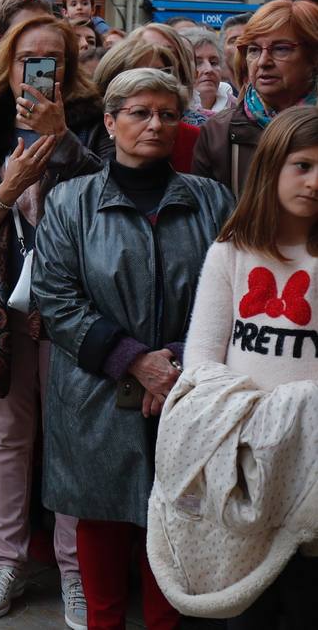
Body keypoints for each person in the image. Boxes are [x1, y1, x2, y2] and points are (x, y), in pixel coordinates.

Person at [34, 67, 233, 630]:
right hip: (95, 390)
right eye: (140, 113)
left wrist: (175, 363)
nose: (155, 125)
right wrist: (133, 361)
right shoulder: (70, 201)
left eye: (168, 114)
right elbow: (56, 296)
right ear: (110, 121)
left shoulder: (211, 200)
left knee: (176, 520)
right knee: (100, 518)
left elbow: (231, 293)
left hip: (185, 387)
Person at [0, 15, 104, 625]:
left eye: (53, 59)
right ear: (7, 67)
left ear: (70, 68)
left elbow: (108, 203)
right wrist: (8, 189)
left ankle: (74, 568)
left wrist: (63, 142)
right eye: (29, 59)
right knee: (5, 431)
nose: (41, 70)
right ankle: (8, 558)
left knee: (69, 433)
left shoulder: (92, 123)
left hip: (73, 303)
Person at [178, 105, 318, 629]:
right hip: (243, 459)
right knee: (244, 606)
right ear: (271, 166)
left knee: (306, 598)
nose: (314, 181)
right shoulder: (231, 252)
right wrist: (248, 419)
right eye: (302, 165)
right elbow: (201, 357)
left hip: (313, 463)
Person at [194, 0, 318, 197]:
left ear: (313, 56)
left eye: (281, 48)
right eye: (253, 50)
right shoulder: (218, 132)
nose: (263, 62)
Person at [92, 35, 200, 172]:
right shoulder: (86, 136)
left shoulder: (193, 138)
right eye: (140, 113)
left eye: (161, 72)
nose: (156, 125)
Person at [180, 27, 236, 117]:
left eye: (214, 62)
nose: (209, 69)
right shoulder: (173, 112)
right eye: (198, 63)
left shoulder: (239, 110)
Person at [220, 13, 249, 87]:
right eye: (234, 41)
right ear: (222, 49)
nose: (241, 45)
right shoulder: (217, 93)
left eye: (247, 39)